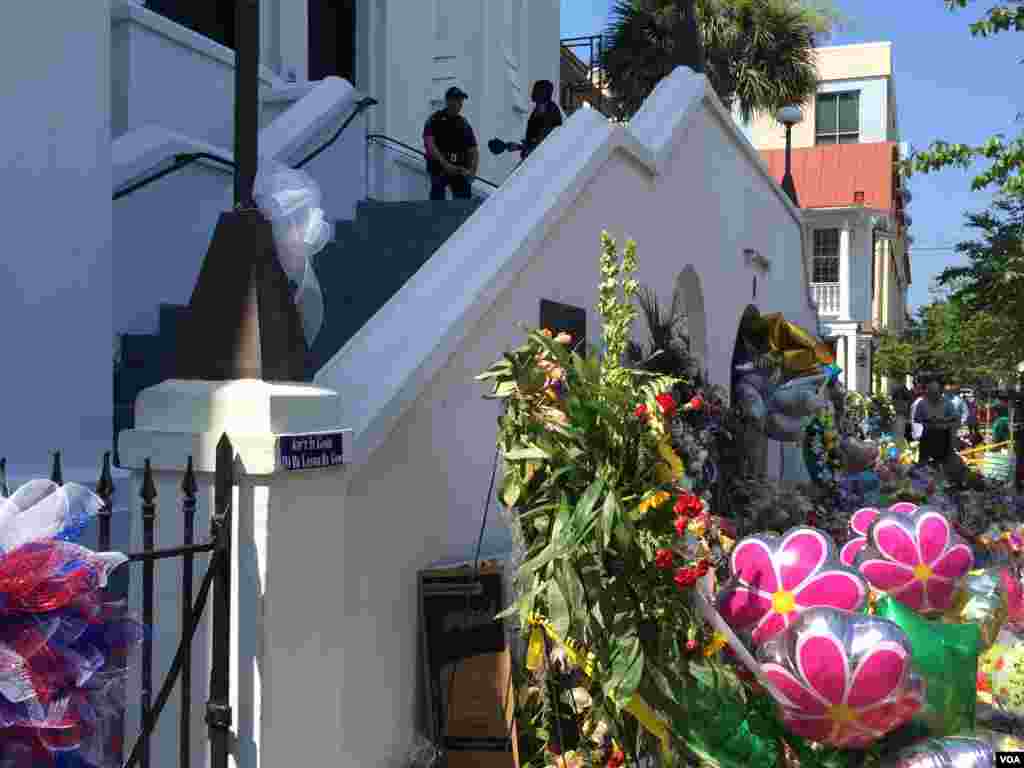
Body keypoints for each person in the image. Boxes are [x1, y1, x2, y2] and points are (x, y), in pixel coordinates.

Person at [423, 86, 479, 200]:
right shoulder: (435, 119)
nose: (460, 103)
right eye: (456, 100)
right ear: (448, 101)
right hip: (440, 167)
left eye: (461, 101)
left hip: (459, 168)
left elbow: (473, 150)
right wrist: (445, 164)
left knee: (463, 201)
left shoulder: (464, 123)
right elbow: (429, 144)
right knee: (437, 197)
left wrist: (472, 172)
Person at [912, 377, 960, 465]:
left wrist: (943, 420)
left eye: (935, 391)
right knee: (924, 463)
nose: (933, 393)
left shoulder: (947, 403)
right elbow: (917, 420)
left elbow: (955, 419)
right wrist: (928, 421)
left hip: (943, 435)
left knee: (942, 463)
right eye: (930, 391)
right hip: (928, 435)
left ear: (939, 391)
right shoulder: (922, 403)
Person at [521, 80, 563, 161]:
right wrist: (524, 147)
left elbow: (549, 137)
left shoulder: (553, 111)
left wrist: (530, 148)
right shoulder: (535, 112)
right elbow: (531, 136)